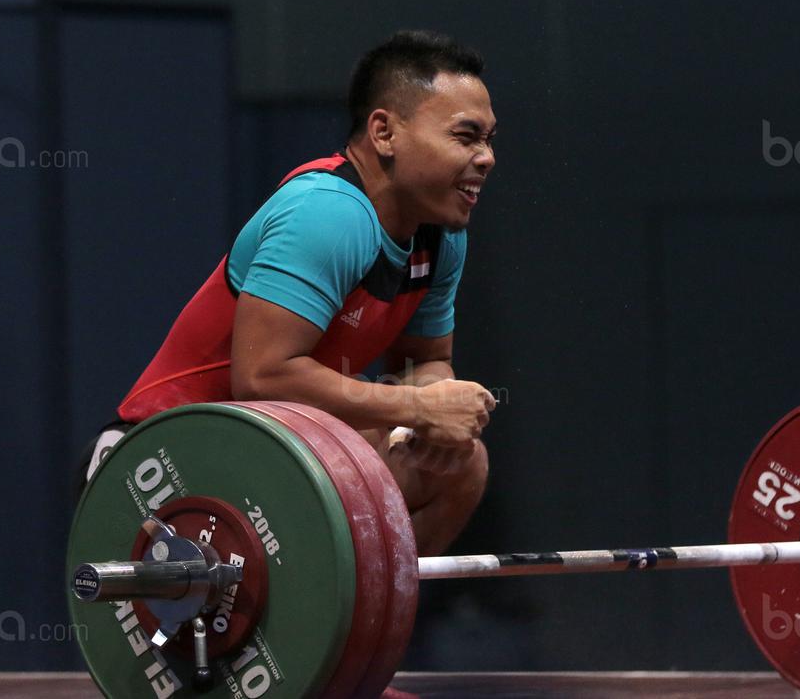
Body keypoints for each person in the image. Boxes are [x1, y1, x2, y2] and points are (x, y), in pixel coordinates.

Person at [85, 30, 498, 557]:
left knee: (461, 466)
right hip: (162, 466)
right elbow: (262, 378)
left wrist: (433, 416)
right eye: (466, 136)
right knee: (365, 438)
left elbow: (425, 360)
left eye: (489, 139)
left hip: (272, 453)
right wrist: (418, 407)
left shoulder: (440, 237)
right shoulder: (327, 211)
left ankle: (363, 600)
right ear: (384, 132)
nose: (486, 157)